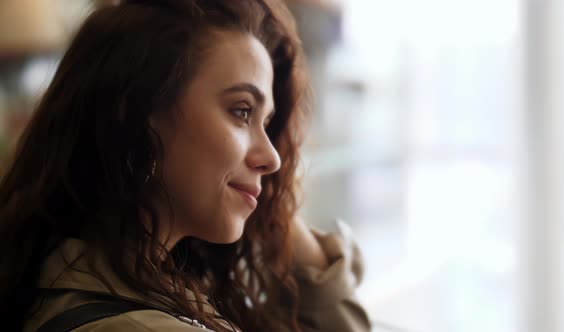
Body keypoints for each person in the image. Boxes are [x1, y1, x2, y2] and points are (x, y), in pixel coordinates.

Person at [0, 0, 371, 331]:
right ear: (137, 113)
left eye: (267, 123)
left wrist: (262, 200)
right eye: (241, 112)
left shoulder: (48, 271)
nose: (272, 158)